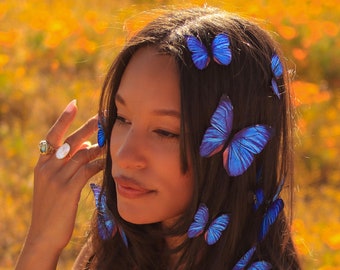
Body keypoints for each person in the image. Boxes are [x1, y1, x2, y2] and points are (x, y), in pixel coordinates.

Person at [16, 6, 301, 270]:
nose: (124, 156)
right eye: (123, 118)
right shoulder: (117, 246)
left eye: (166, 132)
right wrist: (42, 240)